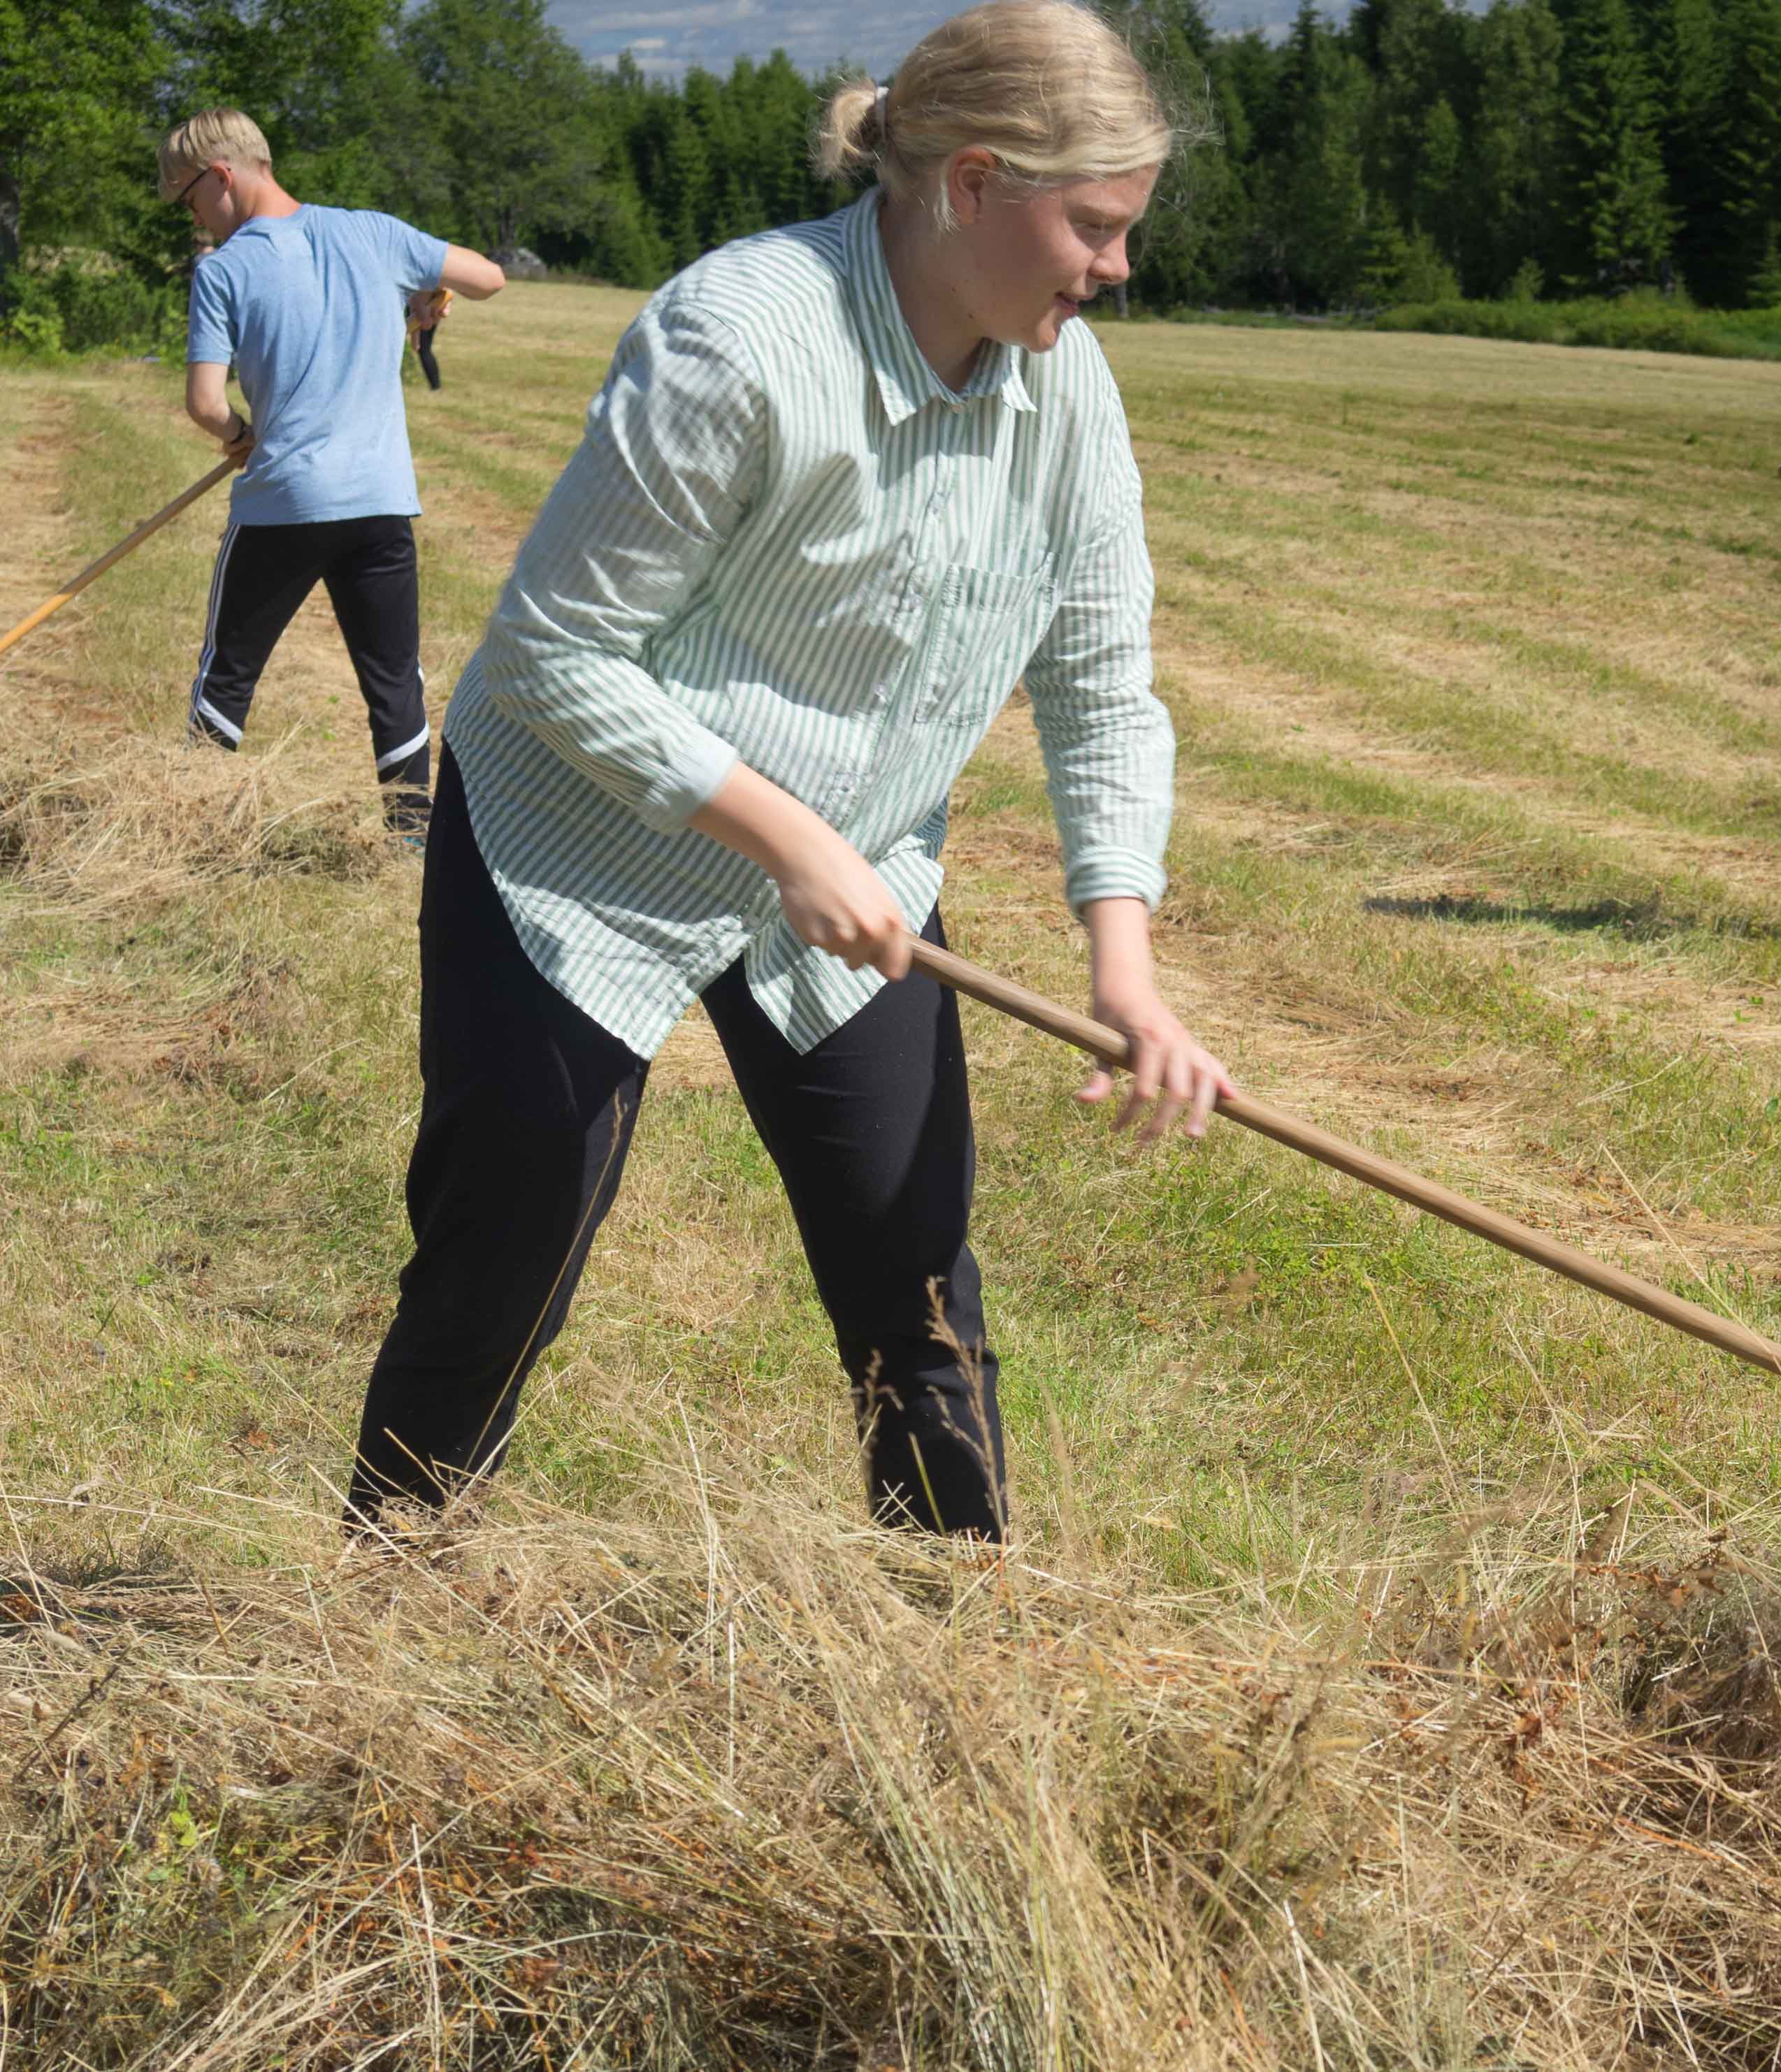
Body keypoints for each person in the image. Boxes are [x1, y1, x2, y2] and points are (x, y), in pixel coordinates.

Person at [345, 0, 1230, 1541]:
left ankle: (957, 1630)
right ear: (970, 184)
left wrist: (1127, 970)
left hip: (851, 877)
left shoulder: (1067, 393)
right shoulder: (741, 337)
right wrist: (781, 835)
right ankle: (378, 1596)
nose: (1116, 268)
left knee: (914, 1276)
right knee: (507, 1249)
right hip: (580, 856)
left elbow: (1101, 686)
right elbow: (557, 651)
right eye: (1093, 226)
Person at [161, 110, 504, 834]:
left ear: (221, 177)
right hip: (379, 504)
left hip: (283, 504)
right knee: (395, 682)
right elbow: (489, 278)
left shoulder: (223, 270)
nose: (197, 218)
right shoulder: (375, 234)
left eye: (191, 200)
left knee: (228, 672)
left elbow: (203, 402)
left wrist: (241, 435)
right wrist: (420, 296)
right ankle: (411, 838)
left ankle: (181, 823)